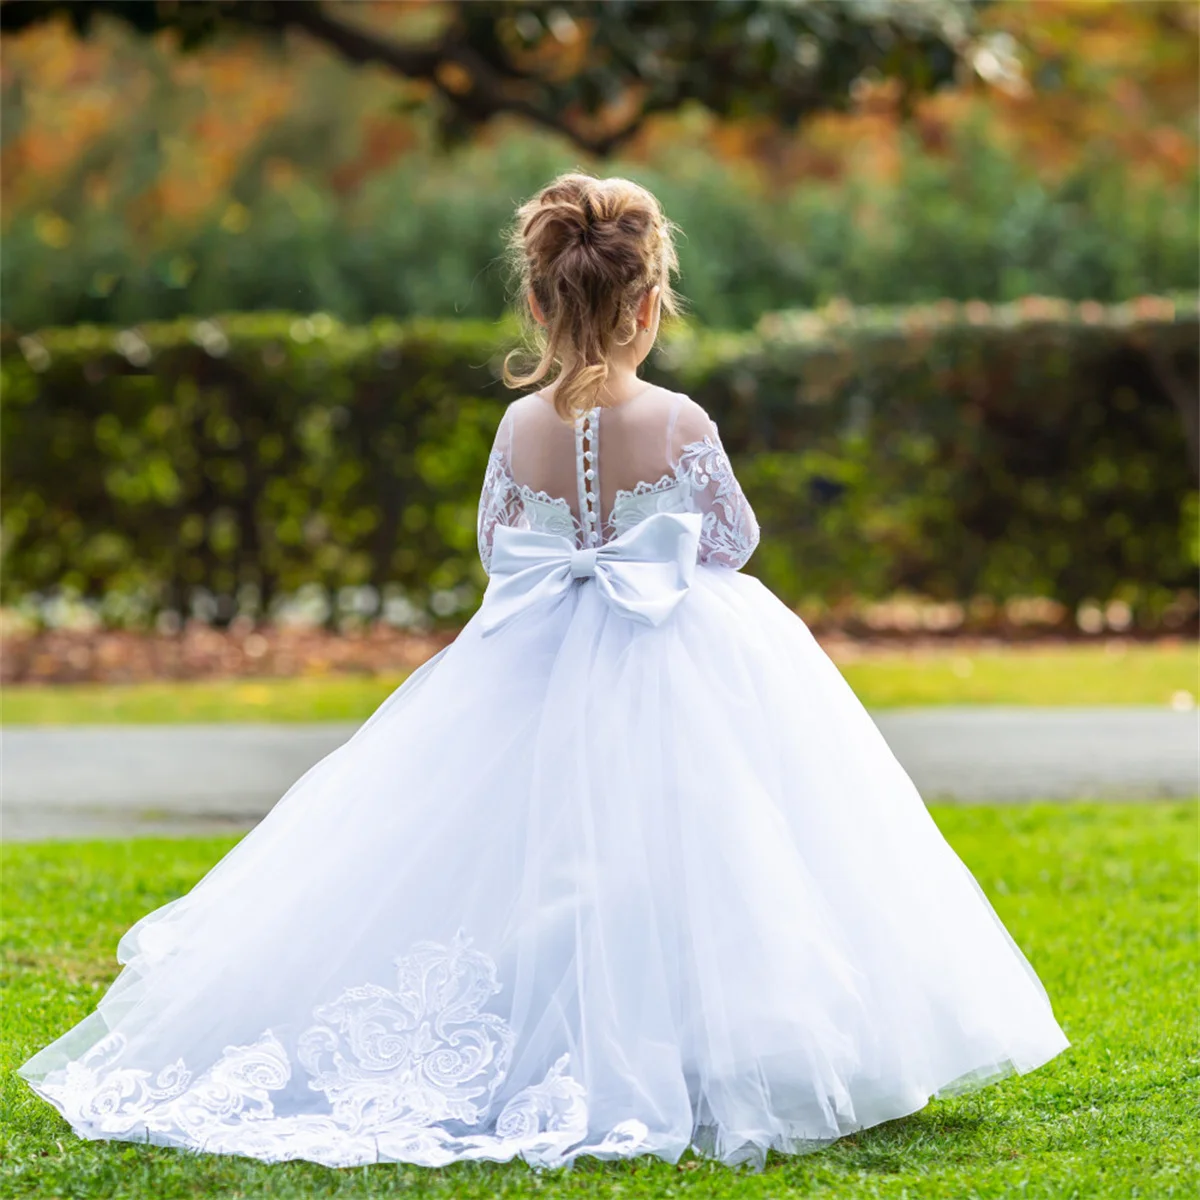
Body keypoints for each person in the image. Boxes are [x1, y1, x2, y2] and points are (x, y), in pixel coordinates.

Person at [20, 173, 1068, 1171]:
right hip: (676, 653)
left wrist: (577, 558)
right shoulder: (680, 421)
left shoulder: (519, 425)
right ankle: (700, 1043)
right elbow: (733, 541)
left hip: (533, 654)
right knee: (710, 845)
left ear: (535, 301)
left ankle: (542, 1031)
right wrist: (647, 554)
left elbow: (494, 546)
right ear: (652, 304)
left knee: (530, 850)